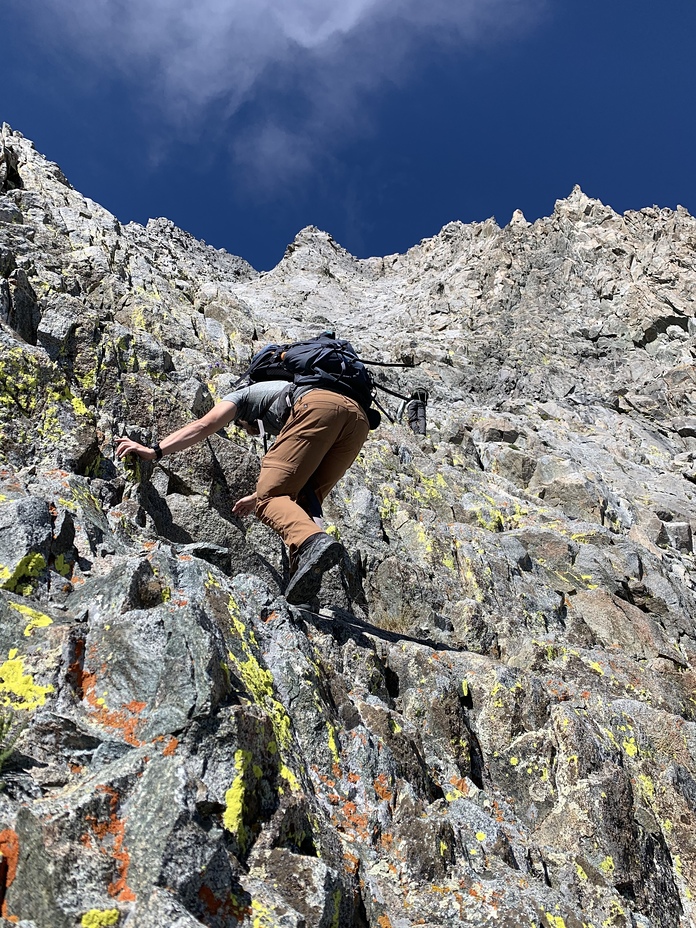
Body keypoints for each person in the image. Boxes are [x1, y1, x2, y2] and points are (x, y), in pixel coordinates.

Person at [114, 378, 370, 604]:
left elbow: (203, 426)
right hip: (357, 421)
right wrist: (257, 495)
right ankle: (302, 584)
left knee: (270, 499)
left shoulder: (241, 397)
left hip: (318, 406)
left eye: (242, 427)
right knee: (302, 500)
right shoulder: (285, 395)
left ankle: (312, 543)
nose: (248, 432)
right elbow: (296, 477)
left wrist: (154, 451)